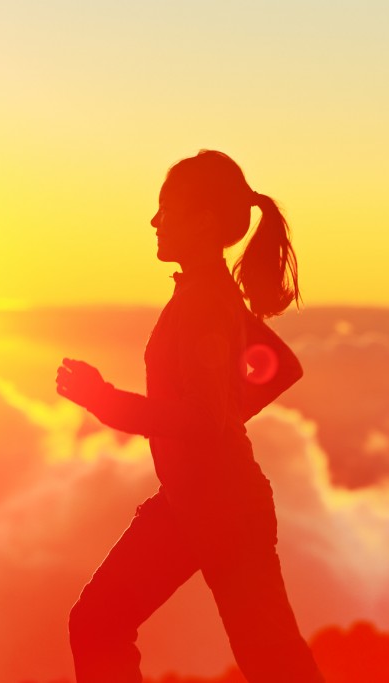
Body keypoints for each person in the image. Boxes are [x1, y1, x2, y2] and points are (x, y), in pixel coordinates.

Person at [55, 150, 324, 682]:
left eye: (166, 209)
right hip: (201, 504)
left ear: (202, 221)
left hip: (219, 509)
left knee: (100, 623)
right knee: (273, 662)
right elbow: (278, 368)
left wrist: (103, 398)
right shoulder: (211, 293)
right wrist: (223, 413)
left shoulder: (204, 301)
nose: (155, 222)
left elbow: (204, 421)